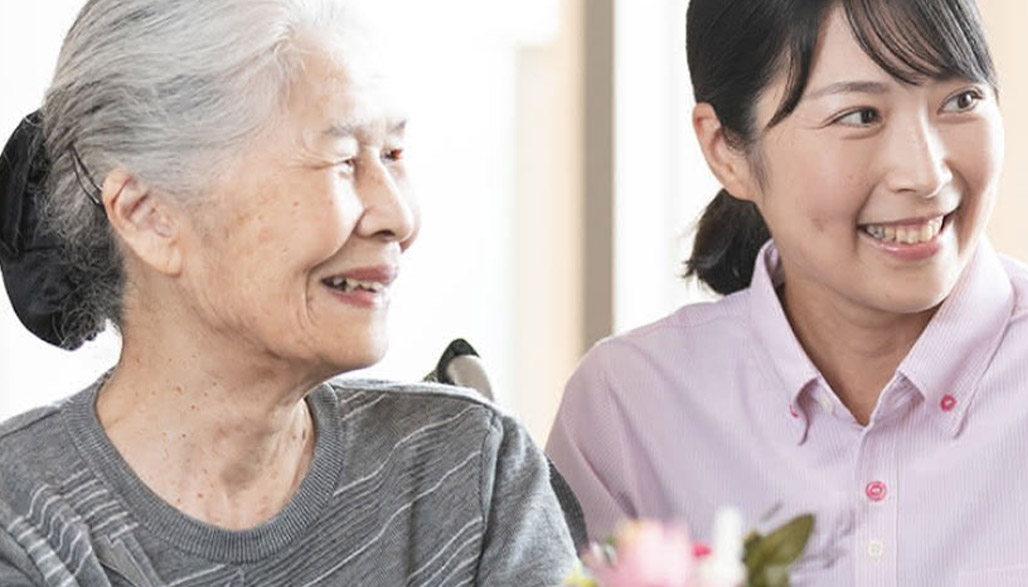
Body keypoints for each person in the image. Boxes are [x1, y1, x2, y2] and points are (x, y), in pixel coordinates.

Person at [0, 1, 576, 585]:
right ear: (149, 216)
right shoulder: (21, 526)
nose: (398, 218)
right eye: (343, 160)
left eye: (392, 155)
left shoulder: (469, 473)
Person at [547, 0, 1024, 584]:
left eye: (961, 100)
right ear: (727, 149)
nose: (926, 175)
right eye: (860, 115)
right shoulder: (628, 408)